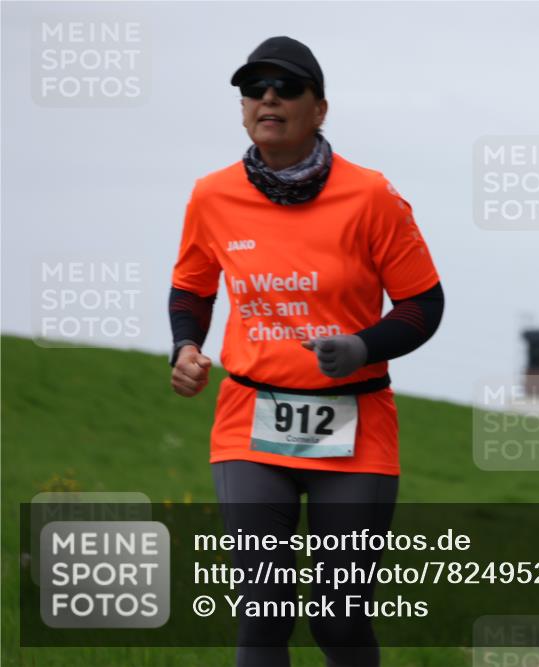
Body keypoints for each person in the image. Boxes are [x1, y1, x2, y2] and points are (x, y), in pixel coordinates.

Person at [168, 36, 444, 667]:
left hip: (356, 424)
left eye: (287, 87)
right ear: (243, 108)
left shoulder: (371, 196)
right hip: (250, 423)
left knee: (338, 619)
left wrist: (362, 346)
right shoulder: (212, 196)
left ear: (319, 109)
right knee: (263, 612)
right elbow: (191, 288)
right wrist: (185, 347)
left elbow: (423, 304)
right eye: (254, 88)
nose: (268, 98)